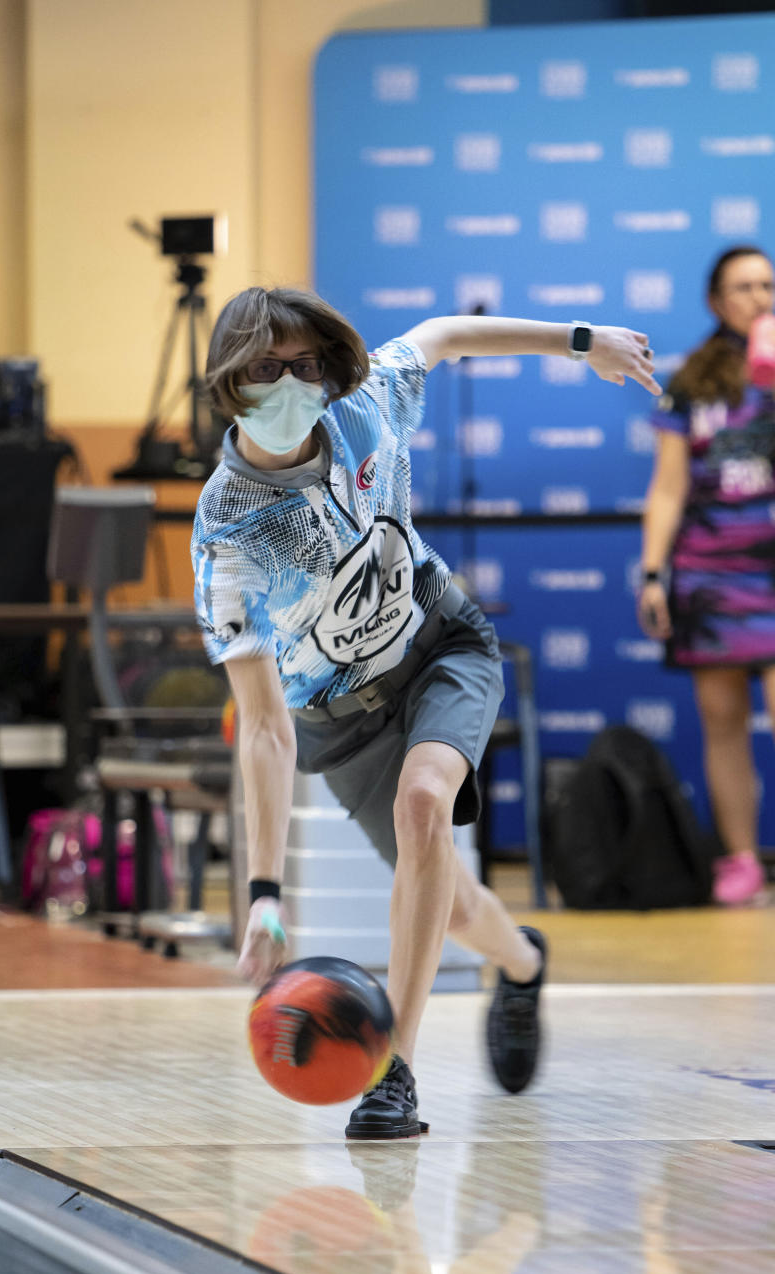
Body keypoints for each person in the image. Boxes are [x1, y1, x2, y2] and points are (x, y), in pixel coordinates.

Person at [193, 286, 660, 1138]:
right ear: (232, 383)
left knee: (424, 809)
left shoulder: (366, 411)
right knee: (450, 900)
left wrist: (579, 339)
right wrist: (262, 888)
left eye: (306, 366)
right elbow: (262, 725)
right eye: (268, 368)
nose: (292, 384)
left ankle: (392, 1072)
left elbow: (441, 336)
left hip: (443, 645)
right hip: (342, 719)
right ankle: (521, 963)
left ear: (329, 371)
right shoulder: (228, 532)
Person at [638, 246, 775, 908]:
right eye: (743, 287)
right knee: (722, 719)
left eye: (768, 285)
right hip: (709, 576)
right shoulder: (690, 383)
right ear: (715, 301)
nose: (759, 297)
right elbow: (669, 488)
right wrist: (653, 573)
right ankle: (741, 861)